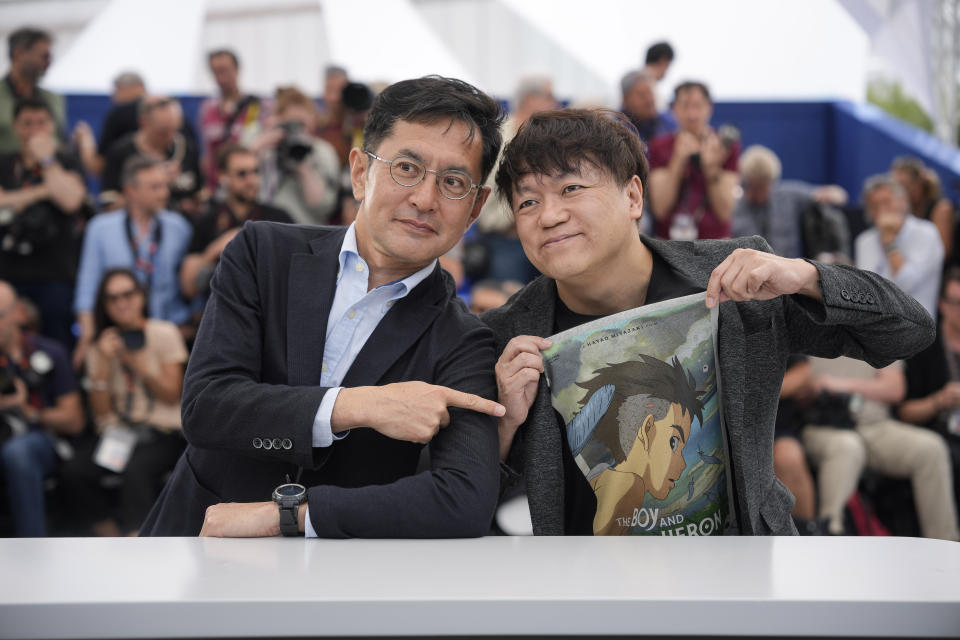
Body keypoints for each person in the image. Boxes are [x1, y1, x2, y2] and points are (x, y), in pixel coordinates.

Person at [483, 108, 936, 536]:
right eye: (526, 202)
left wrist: (806, 277)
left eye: (571, 189)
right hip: (591, 594)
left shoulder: (734, 281)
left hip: (741, 580)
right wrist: (502, 430)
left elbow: (909, 331)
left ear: (633, 196)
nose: (548, 215)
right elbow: (478, 506)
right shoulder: (508, 334)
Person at [140, 76, 506, 539]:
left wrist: (291, 516)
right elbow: (206, 408)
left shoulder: (464, 339)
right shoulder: (263, 253)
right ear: (359, 172)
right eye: (406, 168)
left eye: (453, 182)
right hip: (194, 540)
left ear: (475, 208)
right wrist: (358, 405)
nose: (424, 199)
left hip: (335, 581)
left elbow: (463, 501)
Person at [61, 269, 187, 536]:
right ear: (104, 306)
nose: (122, 303)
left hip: (163, 432)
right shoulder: (101, 345)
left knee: (136, 469)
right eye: (112, 298)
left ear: (141, 296)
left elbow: (172, 394)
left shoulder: (163, 332)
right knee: (74, 472)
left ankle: (139, 543)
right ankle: (113, 541)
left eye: (128, 294)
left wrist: (134, 361)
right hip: (120, 432)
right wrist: (103, 367)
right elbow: (101, 412)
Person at [799, 354, 957, 541]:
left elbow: (895, 389)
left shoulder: (877, 328)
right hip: (824, 426)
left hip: (874, 424)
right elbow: (798, 386)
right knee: (847, 447)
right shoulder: (811, 328)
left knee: (931, 449)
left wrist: (838, 385)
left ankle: (945, 544)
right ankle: (830, 538)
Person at [73, 155, 193, 369]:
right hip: (119, 334)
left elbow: (189, 282)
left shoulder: (179, 227)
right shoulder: (100, 229)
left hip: (169, 332)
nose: (164, 193)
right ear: (130, 191)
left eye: (165, 186)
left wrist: (191, 325)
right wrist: (87, 337)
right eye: (154, 187)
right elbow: (87, 285)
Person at [576, 355, 704, 535]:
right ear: (647, 429)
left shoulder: (601, 476)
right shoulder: (630, 485)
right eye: (673, 442)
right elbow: (602, 558)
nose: (683, 464)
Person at [0, 281, 84, 536]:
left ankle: (32, 544)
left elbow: (74, 419)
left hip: (39, 438)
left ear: (18, 313)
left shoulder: (49, 351)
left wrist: (28, 411)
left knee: (18, 452)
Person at [0, 97, 86, 347]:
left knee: (57, 343)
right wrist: (46, 191)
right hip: (9, 273)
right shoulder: (5, 163)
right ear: (15, 127)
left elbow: (71, 201)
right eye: (27, 124)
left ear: (52, 126)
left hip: (55, 275)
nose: (34, 131)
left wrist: (47, 161)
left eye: (41, 123)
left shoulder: (65, 161)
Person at [180, 143, 292, 301]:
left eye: (256, 172)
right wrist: (215, 250)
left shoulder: (279, 218)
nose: (251, 180)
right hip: (220, 310)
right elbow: (188, 287)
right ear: (222, 176)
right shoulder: (207, 220)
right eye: (242, 174)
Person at [899, 266, 960, 514]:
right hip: (938, 430)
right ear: (942, 305)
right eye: (956, 303)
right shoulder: (926, 347)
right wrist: (940, 400)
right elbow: (904, 411)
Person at [648, 81, 740, 240]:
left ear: (709, 108)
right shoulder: (659, 147)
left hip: (715, 242)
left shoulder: (726, 147)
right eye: (685, 106)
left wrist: (711, 167)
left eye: (697, 106)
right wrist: (677, 161)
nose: (691, 115)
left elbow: (725, 212)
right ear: (674, 109)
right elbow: (660, 208)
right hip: (669, 243)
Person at [732, 145, 849, 261]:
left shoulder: (788, 196)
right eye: (757, 187)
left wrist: (826, 198)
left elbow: (839, 195)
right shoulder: (733, 208)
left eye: (766, 186)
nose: (762, 193)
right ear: (747, 183)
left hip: (788, 270)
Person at [854, 174, 943, 319]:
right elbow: (863, 289)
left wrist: (889, 241)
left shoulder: (927, 233)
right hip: (874, 329)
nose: (882, 210)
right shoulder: (864, 241)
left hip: (917, 327)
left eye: (887, 202)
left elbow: (906, 283)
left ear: (903, 201)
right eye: (874, 206)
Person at [100, 96, 202, 214]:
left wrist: (191, 204)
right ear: (143, 122)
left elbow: (200, 195)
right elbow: (109, 205)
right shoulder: (120, 153)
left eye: (174, 130)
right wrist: (151, 186)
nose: (171, 137)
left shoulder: (187, 148)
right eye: (163, 132)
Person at [254, 87, 340, 226]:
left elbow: (322, 206)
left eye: (301, 124)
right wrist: (261, 144)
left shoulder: (323, 152)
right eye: (290, 124)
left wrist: (302, 164)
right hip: (265, 228)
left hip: (305, 229)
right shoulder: (265, 147)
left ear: (313, 122)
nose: (296, 130)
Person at [198, 49, 264, 192]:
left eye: (225, 70)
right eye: (216, 72)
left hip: (244, 186)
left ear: (237, 69)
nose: (221, 78)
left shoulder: (254, 107)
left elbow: (253, 145)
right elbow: (206, 153)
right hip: (216, 189)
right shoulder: (207, 109)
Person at [0, 28, 64, 154]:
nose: (48, 62)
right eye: (44, 56)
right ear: (19, 55)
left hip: (50, 169)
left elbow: (61, 141)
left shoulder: (53, 99)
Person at [72, 71, 147, 178]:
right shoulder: (171, 113)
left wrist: (85, 138)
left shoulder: (119, 114)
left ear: (137, 87)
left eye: (117, 90)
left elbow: (97, 166)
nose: (113, 97)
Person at [890, 156, 955, 261]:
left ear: (918, 182)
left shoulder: (941, 208)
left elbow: (943, 251)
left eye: (904, 185)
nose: (899, 191)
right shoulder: (904, 211)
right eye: (895, 187)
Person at [619, 70, 670, 144]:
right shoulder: (616, 130)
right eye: (642, 95)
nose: (649, 100)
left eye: (650, 93)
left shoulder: (667, 122)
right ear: (626, 99)